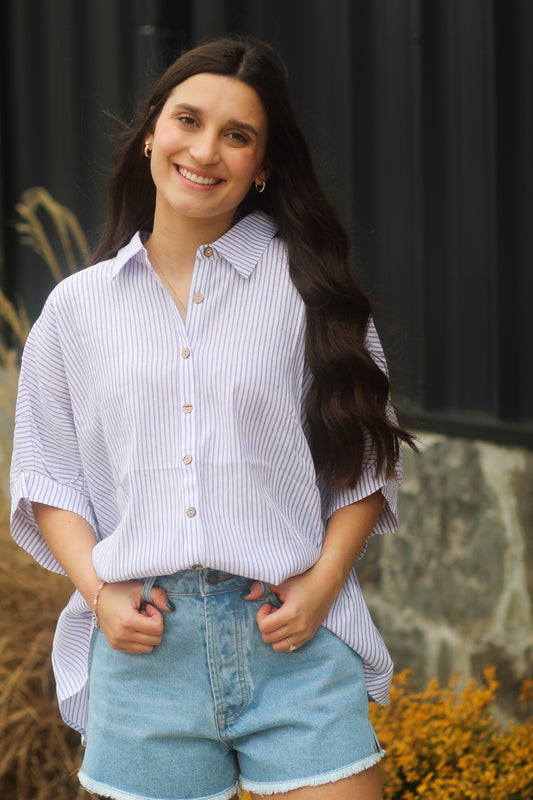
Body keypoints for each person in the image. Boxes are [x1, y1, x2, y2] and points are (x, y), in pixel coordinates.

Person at [10, 36, 415, 800]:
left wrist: (324, 583)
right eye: (188, 121)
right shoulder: (77, 309)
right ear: (151, 135)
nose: (205, 150)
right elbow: (47, 476)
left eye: (237, 135)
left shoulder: (309, 291)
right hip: (144, 651)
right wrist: (99, 592)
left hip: (288, 636)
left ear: (262, 166)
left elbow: (364, 461)